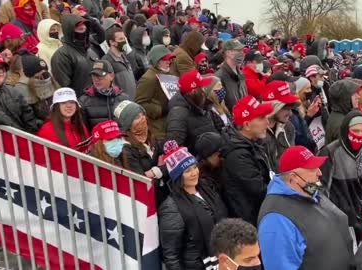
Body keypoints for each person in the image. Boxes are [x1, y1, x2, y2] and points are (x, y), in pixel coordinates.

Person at [258, 146, 354, 270]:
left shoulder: (311, 190)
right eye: (312, 169)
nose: (320, 173)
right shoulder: (276, 219)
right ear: (294, 178)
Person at [158, 140, 228, 270]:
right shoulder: (171, 207)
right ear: (178, 176)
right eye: (187, 171)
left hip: (223, 259)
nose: (194, 173)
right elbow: (171, 255)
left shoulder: (207, 188)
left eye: (195, 167)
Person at [319, 111, 362, 243]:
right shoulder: (330, 151)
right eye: (355, 130)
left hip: (358, 210)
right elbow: (321, 187)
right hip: (338, 214)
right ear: (345, 130)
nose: (359, 135)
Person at [222, 95, 273, 225]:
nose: (267, 122)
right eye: (262, 118)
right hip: (251, 221)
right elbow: (259, 190)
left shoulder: (252, 143)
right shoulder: (237, 155)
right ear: (247, 125)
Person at [114, 100, 167, 205]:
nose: (142, 119)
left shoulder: (151, 138)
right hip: (147, 202)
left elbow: (167, 162)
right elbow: (140, 179)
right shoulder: (125, 149)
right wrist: (159, 170)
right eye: (136, 117)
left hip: (163, 195)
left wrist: (152, 173)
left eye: (142, 115)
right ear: (128, 124)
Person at [165, 70, 218, 153]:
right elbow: (174, 151)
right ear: (194, 91)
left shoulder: (203, 104)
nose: (205, 90)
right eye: (202, 87)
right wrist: (203, 163)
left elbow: (218, 128)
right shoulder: (178, 115)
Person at [135, 45, 175, 141]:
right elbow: (140, 103)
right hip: (158, 127)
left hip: (169, 122)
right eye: (165, 59)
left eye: (169, 59)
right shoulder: (148, 78)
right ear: (157, 61)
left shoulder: (168, 73)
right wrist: (161, 109)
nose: (169, 62)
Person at [79, 60, 129, 131]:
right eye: (94, 76)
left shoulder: (123, 99)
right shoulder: (83, 102)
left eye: (100, 76)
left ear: (111, 76)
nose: (96, 79)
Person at [51, 14, 93, 96]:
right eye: (78, 28)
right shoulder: (61, 56)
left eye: (84, 27)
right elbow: (65, 87)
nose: (83, 29)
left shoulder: (90, 50)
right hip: (79, 102)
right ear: (69, 30)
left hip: (95, 100)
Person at [261, 80, 297, 172]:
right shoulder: (256, 134)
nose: (291, 113)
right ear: (273, 106)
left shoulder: (289, 127)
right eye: (286, 108)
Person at [15, 52, 58, 121]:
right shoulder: (22, 90)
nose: (44, 79)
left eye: (45, 74)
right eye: (39, 76)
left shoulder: (52, 85)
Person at [102, 26, 137, 100]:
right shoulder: (107, 61)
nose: (124, 41)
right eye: (121, 39)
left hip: (131, 102)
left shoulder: (125, 58)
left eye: (124, 38)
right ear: (112, 42)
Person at [325, 78, 362, 145]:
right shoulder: (341, 124)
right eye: (354, 94)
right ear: (345, 98)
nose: (358, 96)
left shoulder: (343, 116)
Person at [215, 39, 248, 111]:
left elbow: (245, 95)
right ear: (228, 52)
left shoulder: (241, 73)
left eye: (242, 51)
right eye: (239, 51)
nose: (242, 53)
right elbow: (219, 105)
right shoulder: (219, 77)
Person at [290, 76, 318, 152]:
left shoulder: (305, 104)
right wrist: (308, 116)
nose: (310, 91)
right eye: (307, 88)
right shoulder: (294, 110)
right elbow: (301, 134)